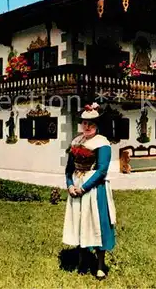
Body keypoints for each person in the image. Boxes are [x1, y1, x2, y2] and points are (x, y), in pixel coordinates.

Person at [63, 102, 116, 280]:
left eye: (91, 123)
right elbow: (69, 168)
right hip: (76, 183)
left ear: (97, 125)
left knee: (96, 222)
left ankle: (100, 266)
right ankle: (82, 260)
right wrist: (70, 185)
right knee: (79, 221)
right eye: (84, 123)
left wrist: (84, 188)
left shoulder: (102, 143)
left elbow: (102, 170)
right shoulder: (76, 141)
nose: (87, 126)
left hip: (94, 187)